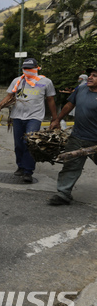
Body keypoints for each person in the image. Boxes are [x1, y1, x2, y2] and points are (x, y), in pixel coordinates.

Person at [0, 58, 57, 183]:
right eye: (25, 69)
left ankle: (28, 171)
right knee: (18, 144)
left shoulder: (45, 82)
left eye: (30, 68)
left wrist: (55, 118)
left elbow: (50, 99)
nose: (27, 71)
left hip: (34, 117)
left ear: (36, 68)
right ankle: (21, 166)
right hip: (17, 116)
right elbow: (9, 96)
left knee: (30, 143)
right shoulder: (17, 81)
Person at [48, 67, 97, 205]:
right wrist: (57, 119)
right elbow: (69, 105)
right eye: (90, 75)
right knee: (70, 165)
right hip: (78, 137)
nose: (90, 77)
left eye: (95, 76)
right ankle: (63, 193)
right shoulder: (81, 89)